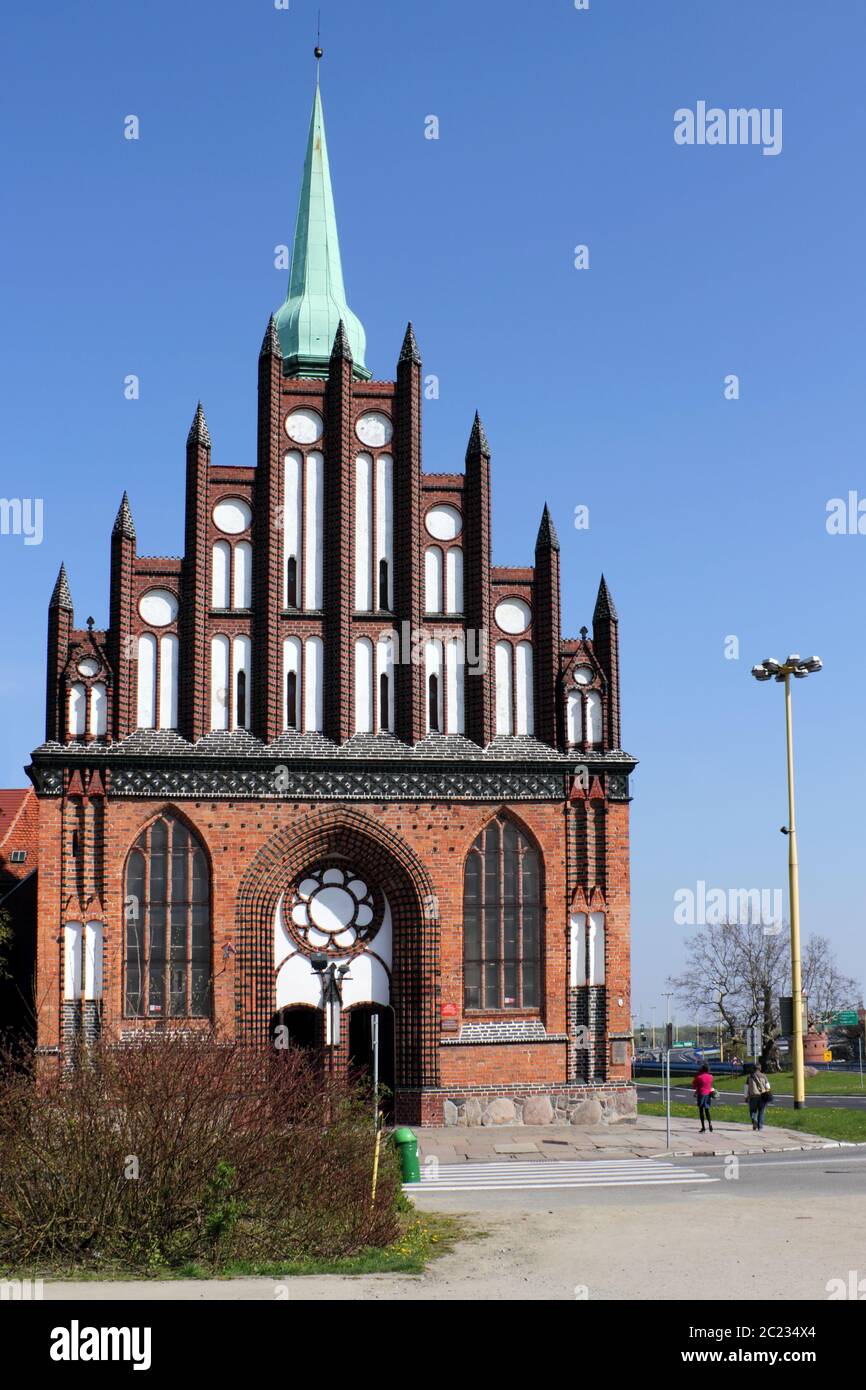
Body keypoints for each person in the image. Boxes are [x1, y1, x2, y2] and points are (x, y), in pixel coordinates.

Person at [745, 1062, 772, 1130]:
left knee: (753, 1111)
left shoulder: (749, 1077)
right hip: (762, 1097)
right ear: (760, 1068)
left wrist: (746, 1097)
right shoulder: (764, 1076)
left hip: (753, 1097)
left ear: (753, 1068)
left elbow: (746, 1088)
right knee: (761, 1111)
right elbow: (768, 1087)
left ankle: (754, 1121)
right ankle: (760, 1126)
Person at [691, 1062, 715, 1133]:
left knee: (701, 1111)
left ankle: (703, 1127)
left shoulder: (699, 1077)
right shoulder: (711, 1076)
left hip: (701, 1094)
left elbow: (694, 1085)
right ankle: (710, 1123)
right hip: (708, 1095)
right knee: (707, 1110)